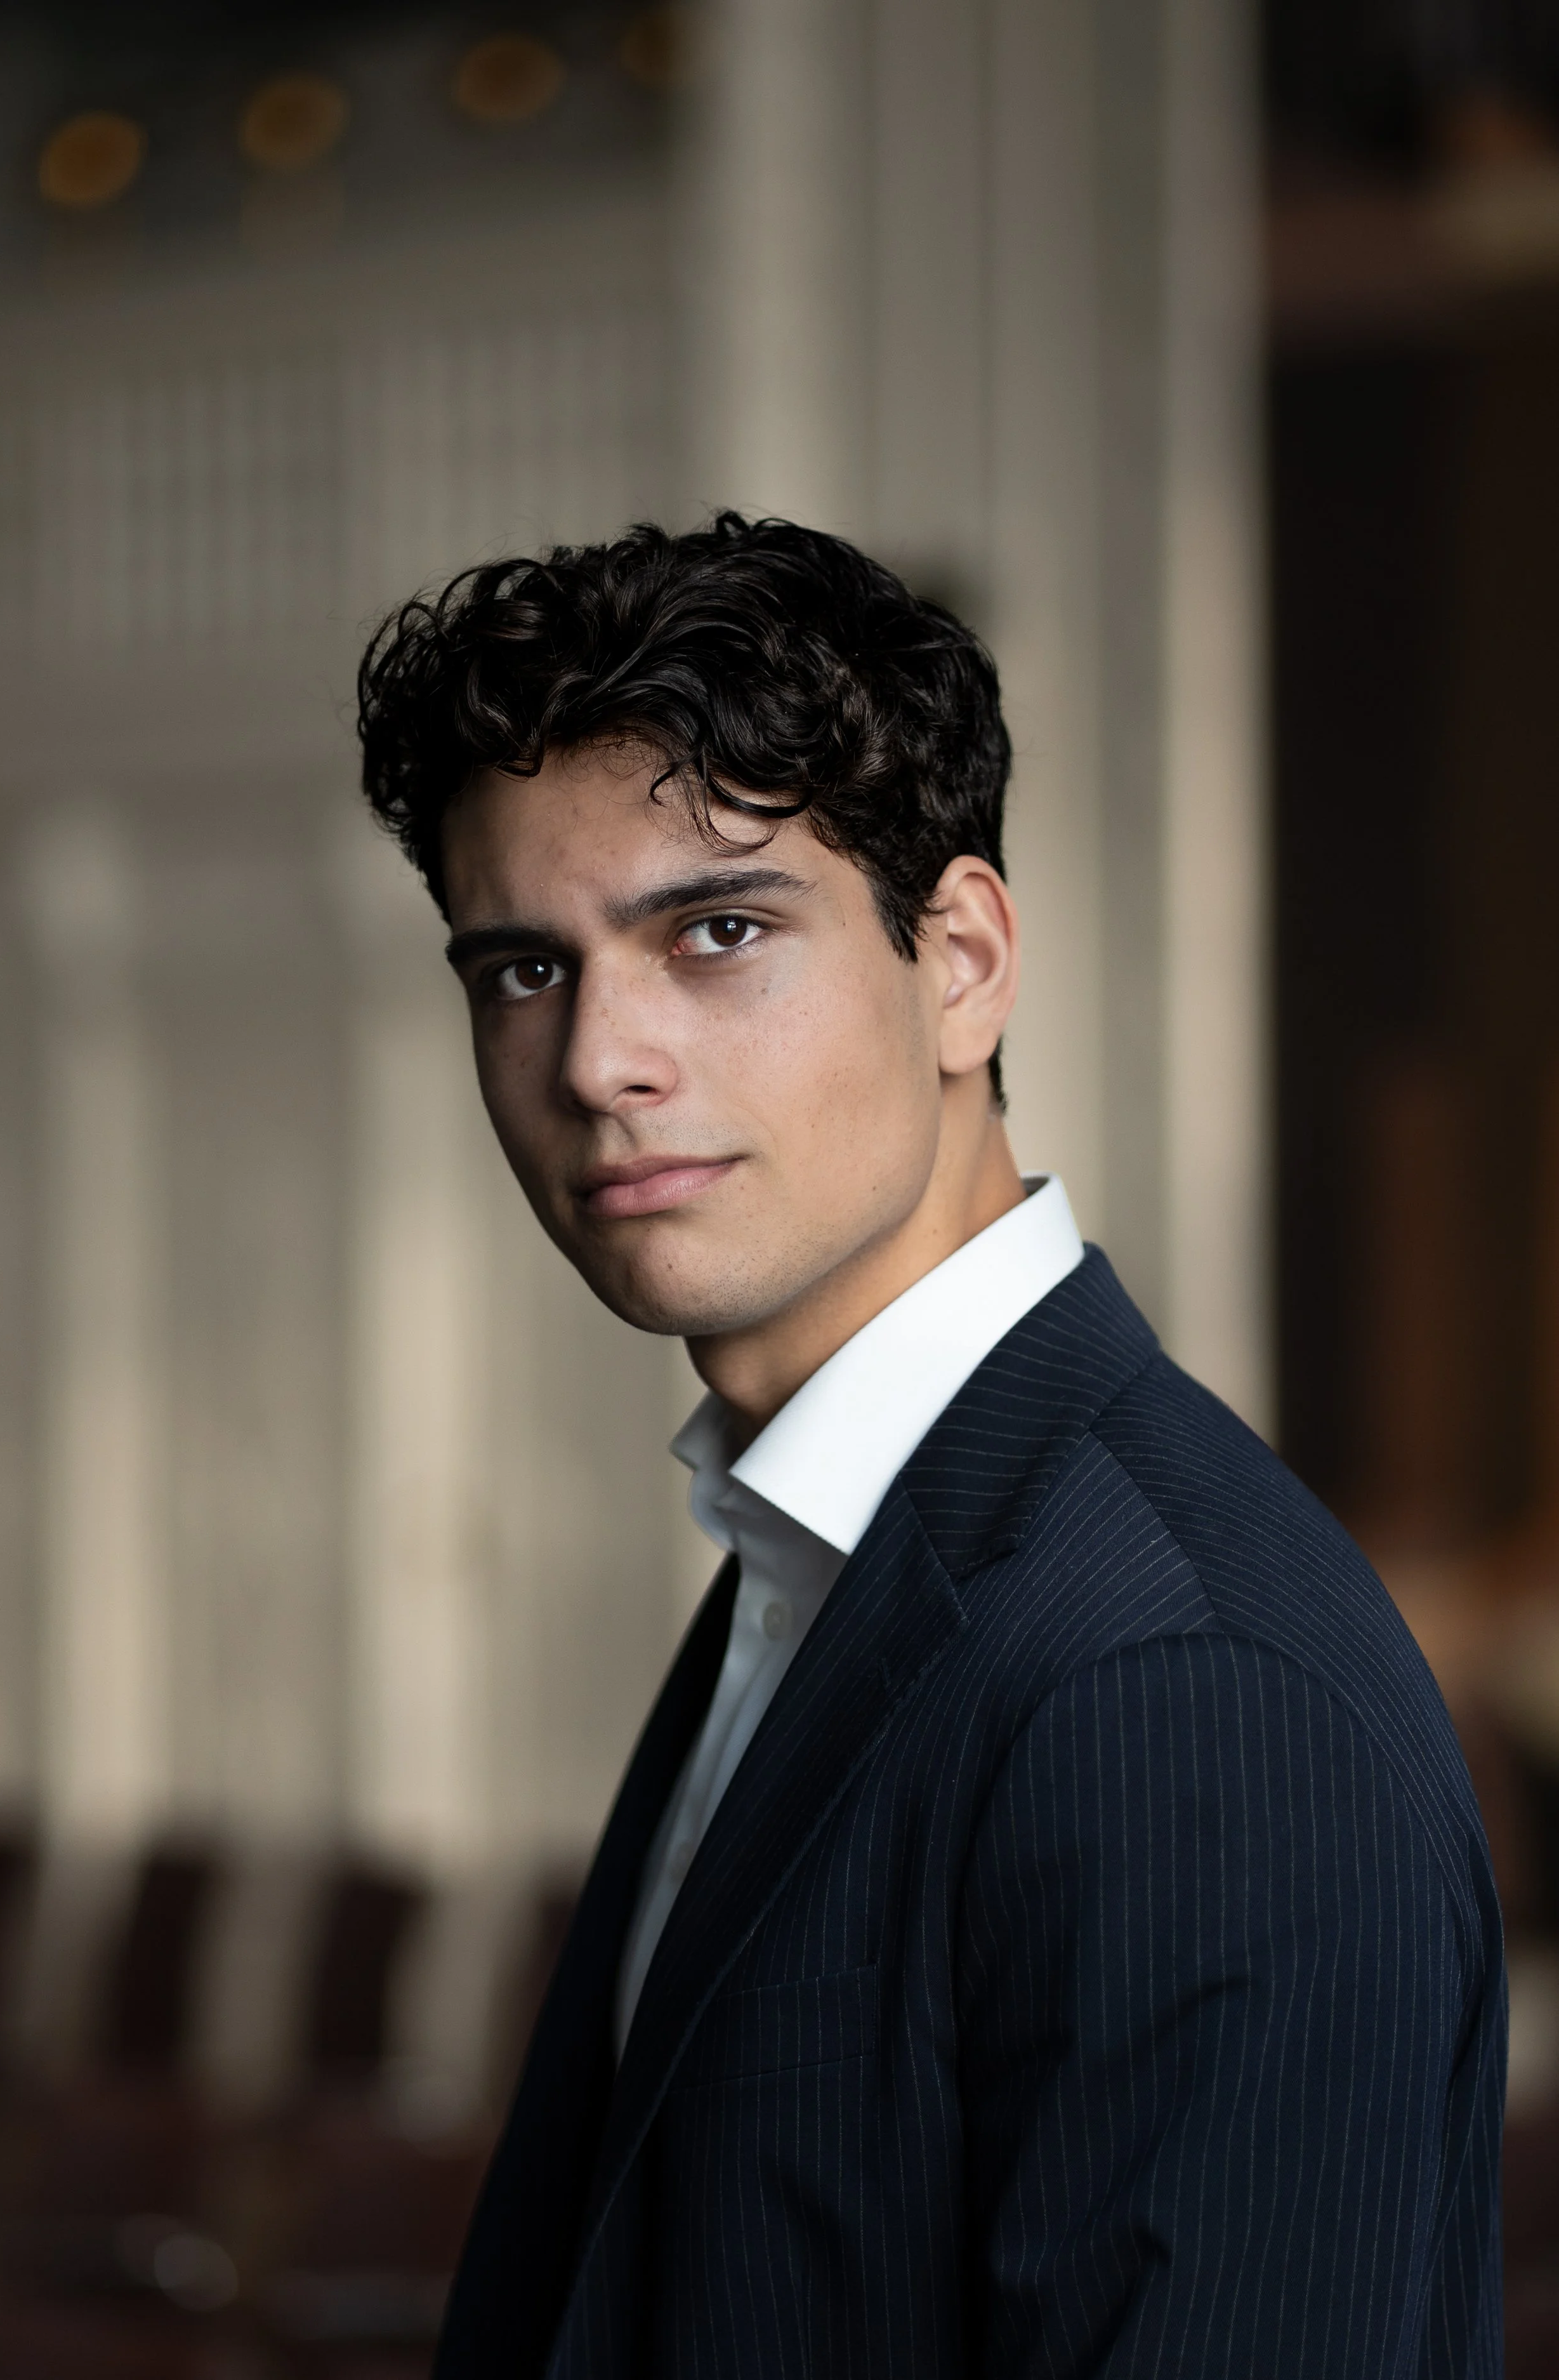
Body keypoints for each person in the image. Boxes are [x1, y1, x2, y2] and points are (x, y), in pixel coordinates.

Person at [357, 514, 1504, 2379]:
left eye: (715, 932)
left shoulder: (1180, 1683)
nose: (596, 1061)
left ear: (959, 959)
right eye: (520, 969)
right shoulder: (825, 1543)